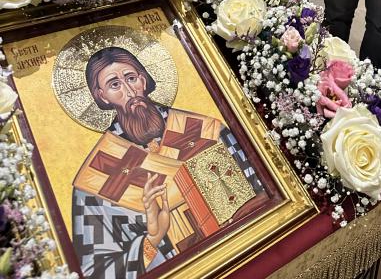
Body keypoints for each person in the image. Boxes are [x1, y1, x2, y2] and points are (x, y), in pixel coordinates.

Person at [72, 47, 263, 278]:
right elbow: (96, 271)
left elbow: (261, 193)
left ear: (143, 80)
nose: (129, 91)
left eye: (131, 78)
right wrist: (152, 240)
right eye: (115, 85)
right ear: (102, 96)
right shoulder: (95, 178)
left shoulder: (206, 131)